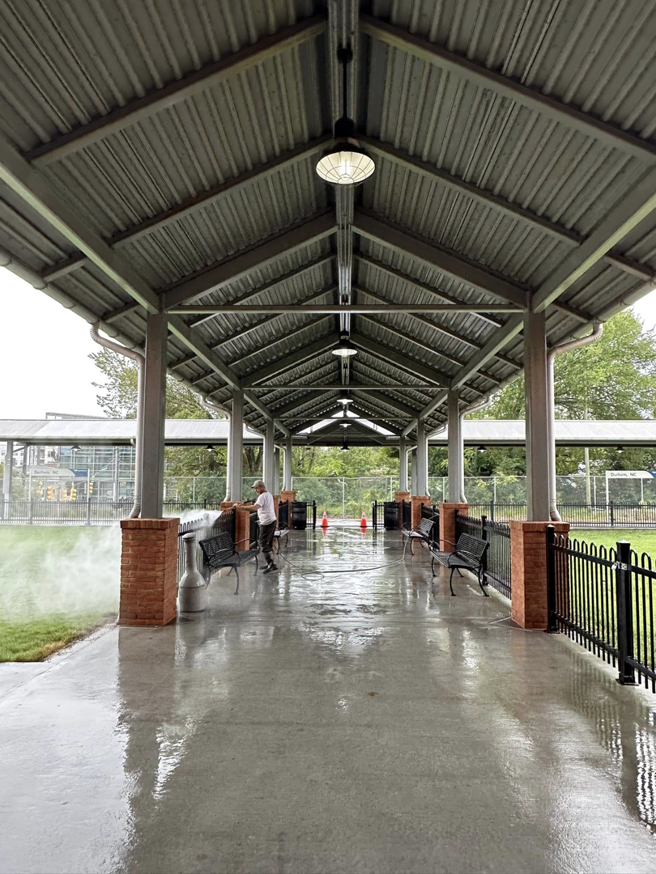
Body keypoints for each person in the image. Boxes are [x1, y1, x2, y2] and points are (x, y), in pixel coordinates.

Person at [238, 481, 278, 573]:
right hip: (271, 521)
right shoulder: (268, 495)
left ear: (261, 487)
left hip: (267, 523)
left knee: (263, 544)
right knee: (268, 543)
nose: (255, 490)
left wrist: (240, 508)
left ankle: (271, 565)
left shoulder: (262, 496)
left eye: (256, 488)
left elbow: (254, 508)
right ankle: (271, 564)